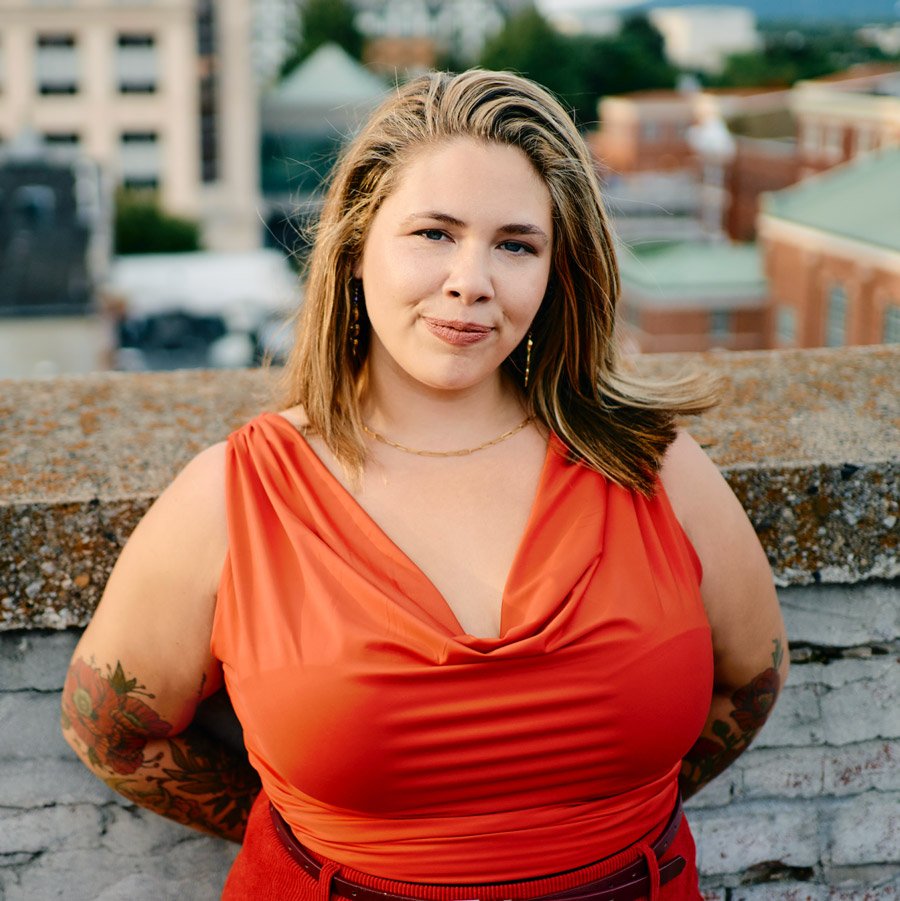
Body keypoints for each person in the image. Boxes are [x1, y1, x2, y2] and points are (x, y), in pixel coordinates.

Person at [61, 70, 788, 900]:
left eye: (516, 244)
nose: (471, 280)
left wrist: (595, 837)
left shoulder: (653, 467)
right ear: (356, 244)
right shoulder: (235, 496)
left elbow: (752, 682)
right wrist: (314, 833)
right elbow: (113, 731)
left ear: (557, 272)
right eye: (435, 234)